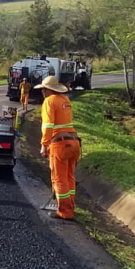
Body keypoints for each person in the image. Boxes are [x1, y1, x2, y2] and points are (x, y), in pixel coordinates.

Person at [38, 76, 80, 221]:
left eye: (43, 89)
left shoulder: (49, 101)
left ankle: (65, 212)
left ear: (48, 90)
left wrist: (44, 145)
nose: (42, 91)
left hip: (60, 144)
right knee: (69, 177)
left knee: (59, 179)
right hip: (74, 142)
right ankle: (70, 207)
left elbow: (48, 125)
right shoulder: (65, 100)